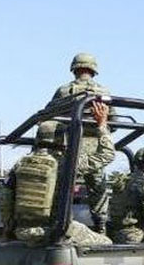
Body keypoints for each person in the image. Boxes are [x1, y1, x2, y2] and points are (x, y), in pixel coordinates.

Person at [0, 105, 113, 247]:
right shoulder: (68, 162)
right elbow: (107, 155)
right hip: (55, 232)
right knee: (107, 243)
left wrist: (8, 230)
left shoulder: (20, 164)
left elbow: (5, 199)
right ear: (62, 139)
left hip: (23, 232)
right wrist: (102, 124)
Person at [48, 53, 115, 233]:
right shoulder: (104, 92)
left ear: (74, 69)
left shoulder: (63, 91)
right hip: (96, 148)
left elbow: (49, 117)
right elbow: (113, 121)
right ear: (93, 70)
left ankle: (62, 226)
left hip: (70, 146)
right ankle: (101, 227)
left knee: (63, 187)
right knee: (98, 190)